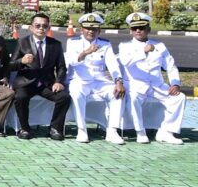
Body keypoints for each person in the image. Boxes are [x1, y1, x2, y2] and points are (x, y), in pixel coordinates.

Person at [118, 12, 184, 144]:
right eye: (134, 28)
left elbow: (170, 66)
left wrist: (175, 83)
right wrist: (143, 51)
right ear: (130, 31)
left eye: (141, 28)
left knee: (179, 97)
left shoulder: (159, 46)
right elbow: (126, 62)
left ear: (148, 29)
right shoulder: (125, 46)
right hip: (136, 84)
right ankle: (140, 132)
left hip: (157, 85)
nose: (138, 31)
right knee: (134, 98)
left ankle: (166, 131)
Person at [64, 12, 126, 144]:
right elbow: (72, 61)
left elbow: (113, 64)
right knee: (76, 92)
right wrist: (86, 52)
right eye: (87, 28)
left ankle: (112, 130)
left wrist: (118, 81)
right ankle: (82, 130)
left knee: (118, 93)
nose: (90, 31)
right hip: (79, 80)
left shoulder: (105, 44)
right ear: (82, 29)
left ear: (99, 30)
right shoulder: (73, 42)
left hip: (100, 81)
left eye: (94, 29)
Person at [10, 13, 72, 140]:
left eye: (44, 26)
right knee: (20, 97)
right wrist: (21, 62)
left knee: (64, 97)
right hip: (26, 83)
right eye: (37, 26)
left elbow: (61, 67)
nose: (41, 29)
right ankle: (25, 128)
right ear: (31, 28)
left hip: (47, 83)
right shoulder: (23, 42)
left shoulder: (55, 44)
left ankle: (55, 128)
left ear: (49, 28)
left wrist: (59, 81)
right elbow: (10, 65)